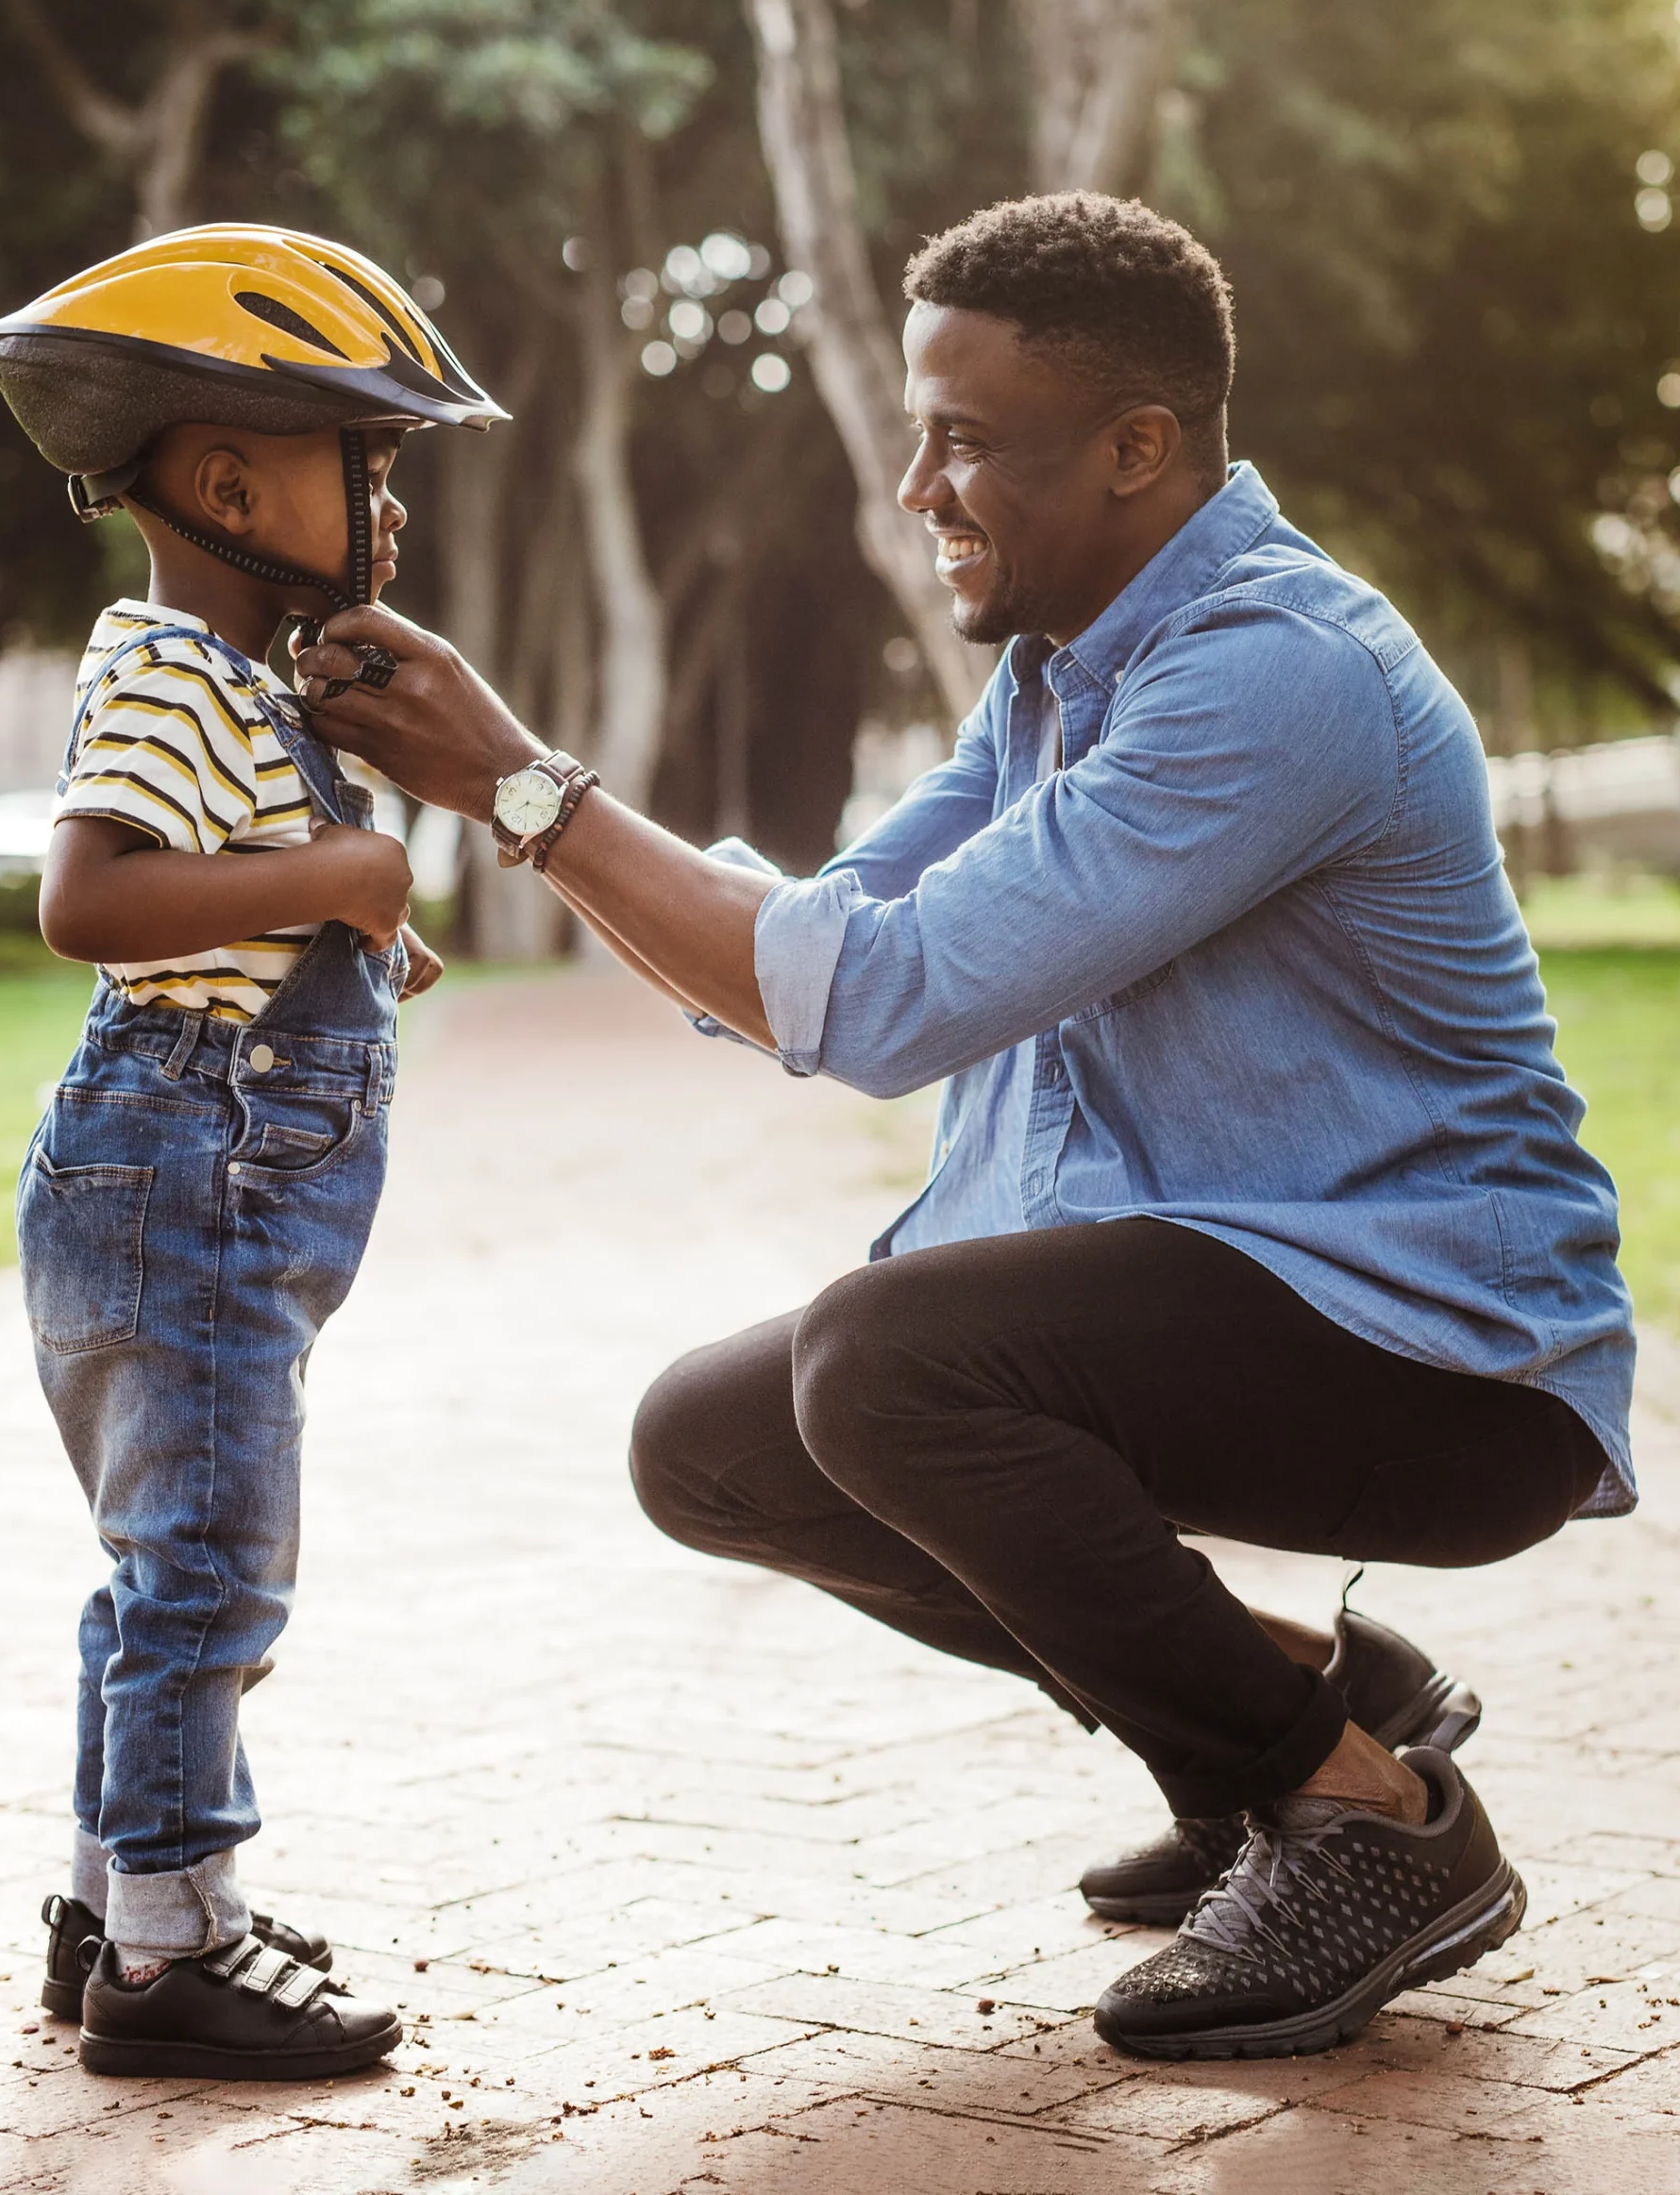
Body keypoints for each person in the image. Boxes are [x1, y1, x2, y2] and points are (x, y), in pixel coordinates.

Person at [291, 192, 1634, 2063]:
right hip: (1247, 1305)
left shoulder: (1273, 672)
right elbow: (830, 939)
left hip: (1441, 1351)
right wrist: (526, 803)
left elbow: (890, 1003)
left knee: (885, 1366)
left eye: (965, 439)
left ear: (1137, 447)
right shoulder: (1058, 676)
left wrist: (521, 787)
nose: (921, 483)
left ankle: (1369, 1817)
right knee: (714, 1442)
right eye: (922, 432)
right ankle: (1320, 1701)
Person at [0, 225, 507, 2079]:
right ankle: (173, 1947)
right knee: (208, 1572)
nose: (393, 510)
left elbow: (232, 910)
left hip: (206, 1170)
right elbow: (92, 897)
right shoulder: (162, 665)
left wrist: (352, 922)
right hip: (183, 1160)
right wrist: (352, 871)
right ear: (224, 477)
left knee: (167, 1566)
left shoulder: (247, 680)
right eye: (373, 463)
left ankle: (108, 1898)